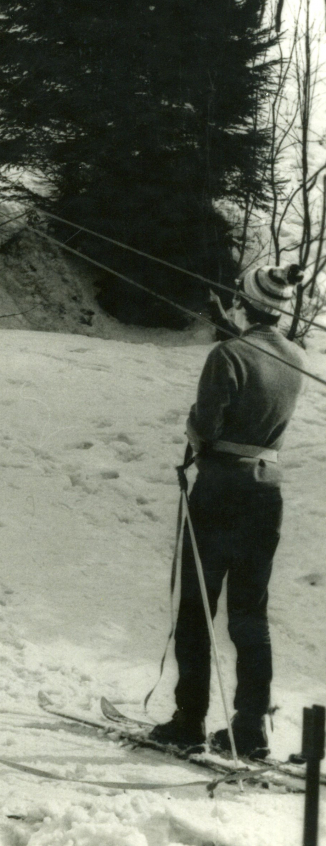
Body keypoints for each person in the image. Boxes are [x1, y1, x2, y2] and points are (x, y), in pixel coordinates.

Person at [148, 262, 306, 760]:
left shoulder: (228, 354)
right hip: (267, 496)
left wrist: (195, 435)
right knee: (249, 615)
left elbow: (206, 428)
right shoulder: (297, 357)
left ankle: (189, 720)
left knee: (197, 608)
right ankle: (250, 728)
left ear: (243, 302)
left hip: (220, 492)